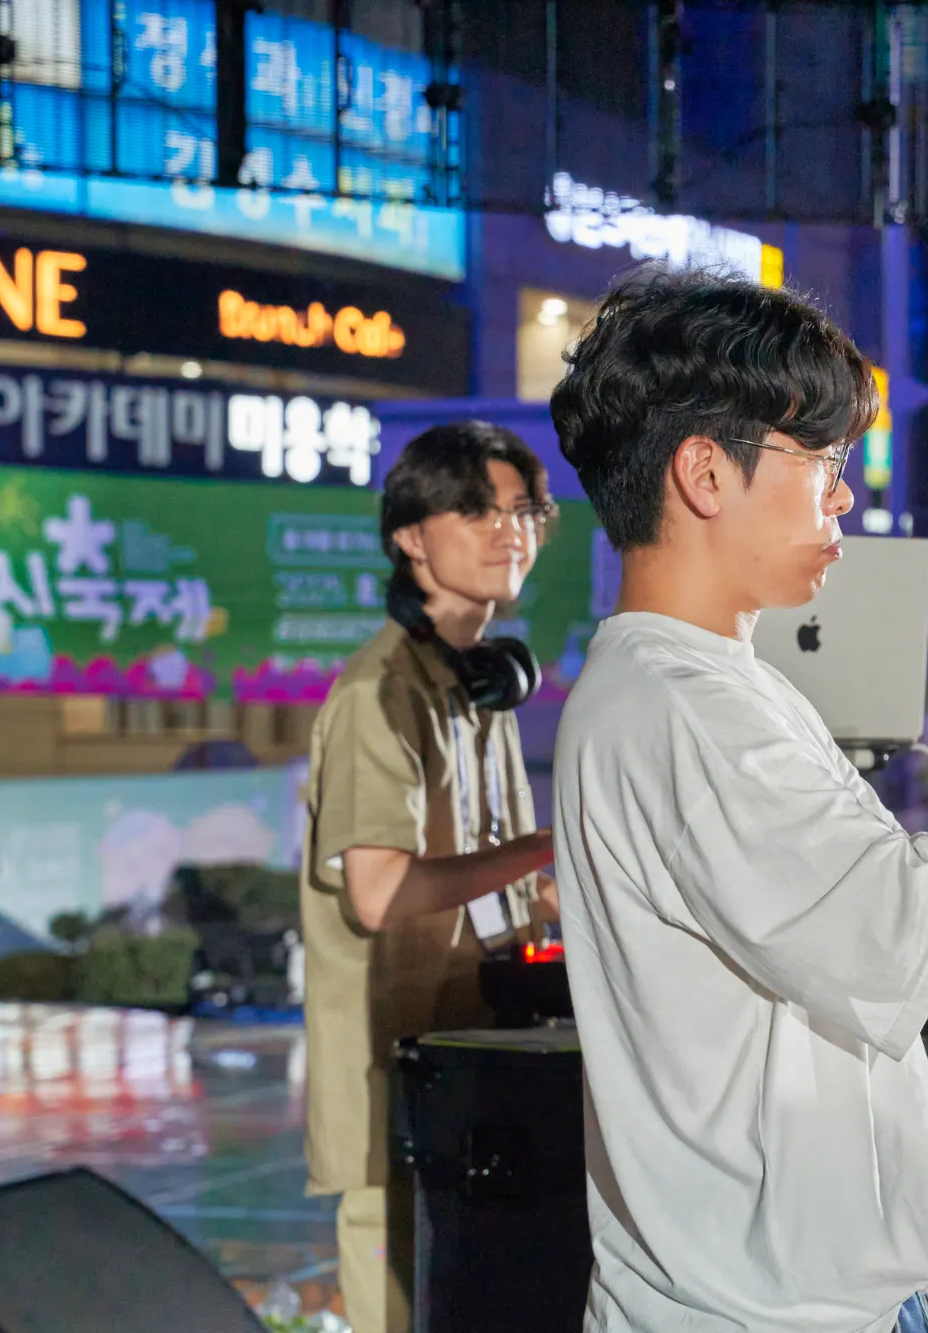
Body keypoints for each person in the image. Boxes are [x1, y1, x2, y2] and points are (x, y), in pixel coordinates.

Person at [548, 266, 928, 1332]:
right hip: (752, 1313)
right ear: (704, 472)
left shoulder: (708, 687)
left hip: (796, 1297)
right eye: (821, 461)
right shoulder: (686, 710)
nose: (842, 496)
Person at [299, 422, 559, 1333]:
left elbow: (501, 883)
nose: (509, 531)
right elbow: (379, 893)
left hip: (470, 1065)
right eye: (477, 510)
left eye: (523, 511)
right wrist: (546, 847)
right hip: (395, 1089)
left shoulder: (480, 687)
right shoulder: (380, 692)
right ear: (411, 535)